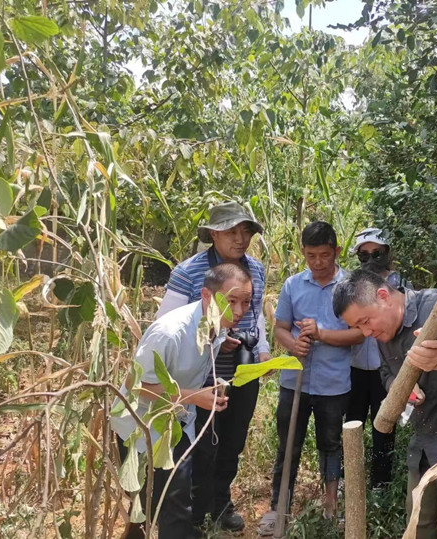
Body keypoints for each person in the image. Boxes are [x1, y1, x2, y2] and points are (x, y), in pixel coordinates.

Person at [333, 269, 437, 539]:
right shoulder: (381, 333)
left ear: (384, 296)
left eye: (365, 321)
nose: (365, 332)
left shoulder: (436, 307)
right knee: (417, 525)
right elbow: (388, 374)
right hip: (425, 442)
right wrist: (400, 388)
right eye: (357, 327)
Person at [111, 263, 253, 539]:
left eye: (246, 302)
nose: (238, 311)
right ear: (206, 296)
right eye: (231, 301)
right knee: (171, 504)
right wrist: (195, 397)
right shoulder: (170, 332)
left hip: (174, 423)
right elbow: (136, 385)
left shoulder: (216, 325)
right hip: (141, 428)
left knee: (152, 505)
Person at [155, 201, 270, 532]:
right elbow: (167, 324)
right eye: (232, 232)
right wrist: (213, 336)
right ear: (213, 234)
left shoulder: (256, 270)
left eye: (246, 231)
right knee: (200, 444)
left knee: (232, 441)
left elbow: (256, 315)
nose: (241, 239)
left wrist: (260, 349)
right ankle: (195, 509)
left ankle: (220, 503)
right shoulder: (188, 272)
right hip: (198, 374)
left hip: (242, 370)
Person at [257, 221, 364, 535]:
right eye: (311, 255)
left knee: (331, 445)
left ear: (337, 252)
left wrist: (321, 335)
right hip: (295, 383)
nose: (318, 262)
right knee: (287, 446)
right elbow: (280, 328)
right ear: (303, 253)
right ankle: (279, 510)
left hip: (334, 384)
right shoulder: (293, 285)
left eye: (325, 255)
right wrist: (294, 343)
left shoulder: (351, 286)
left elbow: (359, 333)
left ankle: (331, 507)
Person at [347, 227, 409, 488]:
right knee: (353, 424)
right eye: (364, 255)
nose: (371, 261)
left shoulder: (401, 286)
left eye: (377, 253)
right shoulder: (351, 287)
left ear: (388, 253)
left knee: (384, 425)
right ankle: (351, 477)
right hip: (358, 366)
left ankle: (380, 481)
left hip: (389, 369)